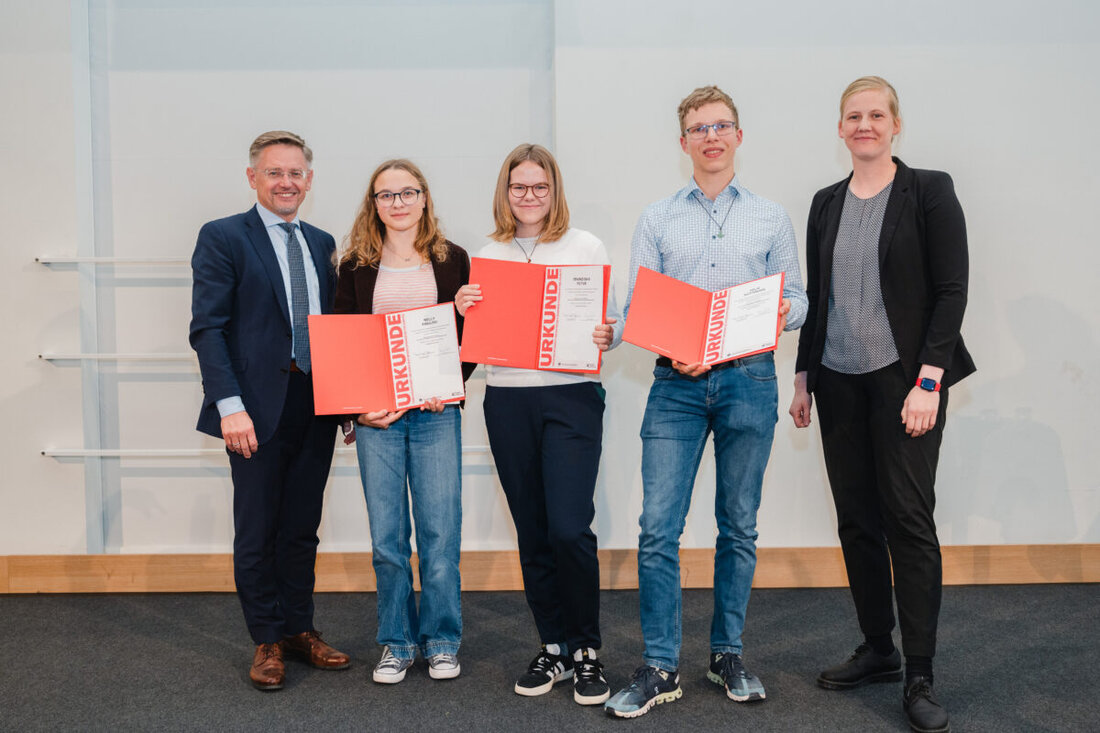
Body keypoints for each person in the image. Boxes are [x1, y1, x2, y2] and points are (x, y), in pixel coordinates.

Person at [604, 86, 807, 719]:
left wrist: (780, 309)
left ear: (738, 137)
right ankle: (660, 664)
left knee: (737, 525)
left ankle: (727, 654)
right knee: (658, 529)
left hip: (750, 378)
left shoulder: (771, 216)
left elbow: (798, 299)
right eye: (698, 128)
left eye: (721, 126)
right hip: (676, 385)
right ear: (683, 141)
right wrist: (664, 340)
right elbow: (639, 310)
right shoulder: (657, 217)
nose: (710, 136)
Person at [789, 76, 973, 733]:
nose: (863, 124)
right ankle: (878, 648)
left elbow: (951, 289)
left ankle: (919, 672)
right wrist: (804, 372)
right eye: (852, 116)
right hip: (837, 380)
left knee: (908, 520)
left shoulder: (929, 190)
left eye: (875, 114)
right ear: (840, 128)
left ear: (895, 124)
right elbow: (820, 294)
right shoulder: (825, 201)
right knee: (857, 521)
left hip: (905, 383)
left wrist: (929, 380)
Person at [454, 143, 622, 706]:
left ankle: (586, 652)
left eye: (540, 187)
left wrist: (607, 333)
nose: (530, 197)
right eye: (519, 187)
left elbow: (610, 321)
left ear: (555, 191)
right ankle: (552, 646)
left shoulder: (585, 245)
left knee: (569, 528)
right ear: (506, 192)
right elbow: (469, 349)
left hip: (571, 397)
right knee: (532, 528)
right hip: (507, 401)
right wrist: (462, 308)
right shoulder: (488, 252)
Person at [190, 130, 348, 691]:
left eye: (296, 173)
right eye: (275, 172)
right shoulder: (224, 236)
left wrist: (348, 400)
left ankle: (298, 630)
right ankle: (265, 639)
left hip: (317, 405)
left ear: (309, 179)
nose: (287, 182)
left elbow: (337, 331)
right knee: (257, 529)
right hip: (252, 410)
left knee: (302, 527)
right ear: (252, 177)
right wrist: (229, 406)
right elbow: (208, 328)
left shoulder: (324, 241)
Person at [334, 159, 472, 684]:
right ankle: (396, 642)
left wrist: (449, 385)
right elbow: (344, 347)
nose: (397, 203)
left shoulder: (453, 260)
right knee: (387, 539)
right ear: (374, 204)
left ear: (424, 198)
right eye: (385, 195)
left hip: (437, 416)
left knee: (440, 534)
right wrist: (356, 410)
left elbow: (467, 337)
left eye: (407, 192)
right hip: (378, 421)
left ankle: (441, 640)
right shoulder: (354, 266)